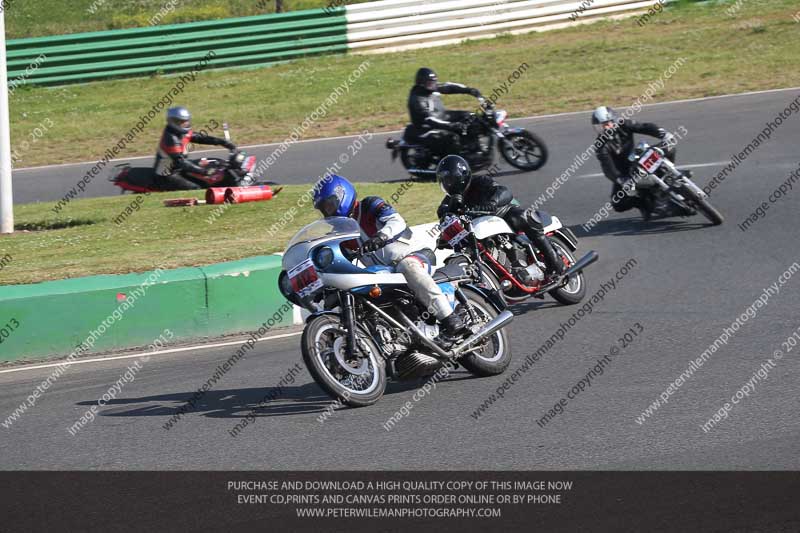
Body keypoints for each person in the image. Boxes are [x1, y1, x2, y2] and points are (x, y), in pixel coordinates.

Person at [312, 175, 467, 342]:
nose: (328, 211)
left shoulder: (369, 205)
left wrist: (381, 236)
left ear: (342, 195)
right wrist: (321, 281)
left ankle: (450, 319)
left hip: (411, 255)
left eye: (329, 205)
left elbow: (397, 221)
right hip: (385, 273)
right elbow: (337, 258)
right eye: (324, 209)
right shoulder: (341, 231)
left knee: (408, 266)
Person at [435, 155, 565, 277]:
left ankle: (554, 261)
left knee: (522, 216)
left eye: (450, 180)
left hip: (501, 213)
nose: (448, 184)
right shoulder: (448, 202)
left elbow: (503, 191)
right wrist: (444, 234)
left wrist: (493, 202)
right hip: (477, 230)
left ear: (461, 176)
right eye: (445, 181)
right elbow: (443, 218)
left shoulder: (480, 181)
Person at [591, 106, 678, 217]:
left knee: (669, 148)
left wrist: (663, 134)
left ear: (614, 121)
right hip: (625, 174)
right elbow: (607, 167)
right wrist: (619, 179)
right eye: (603, 125)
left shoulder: (624, 124)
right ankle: (645, 204)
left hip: (639, 160)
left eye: (609, 123)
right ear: (598, 128)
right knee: (618, 204)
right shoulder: (600, 146)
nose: (607, 127)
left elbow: (644, 127)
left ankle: (670, 174)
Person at [153, 106, 237, 190]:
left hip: (179, 168)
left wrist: (222, 142)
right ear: (174, 122)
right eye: (182, 121)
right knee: (196, 188)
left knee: (214, 165)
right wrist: (203, 171)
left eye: (187, 121)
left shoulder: (180, 132)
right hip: (168, 174)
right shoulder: (171, 139)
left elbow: (199, 137)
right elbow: (181, 162)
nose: (186, 123)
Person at [407, 67, 482, 156]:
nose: (433, 86)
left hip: (441, 116)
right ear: (421, 83)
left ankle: (473, 147)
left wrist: (468, 90)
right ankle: (454, 161)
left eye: (433, 82)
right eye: (429, 83)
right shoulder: (418, 100)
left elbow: (448, 87)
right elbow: (430, 120)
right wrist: (451, 125)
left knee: (469, 116)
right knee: (452, 139)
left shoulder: (430, 87)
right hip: (427, 127)